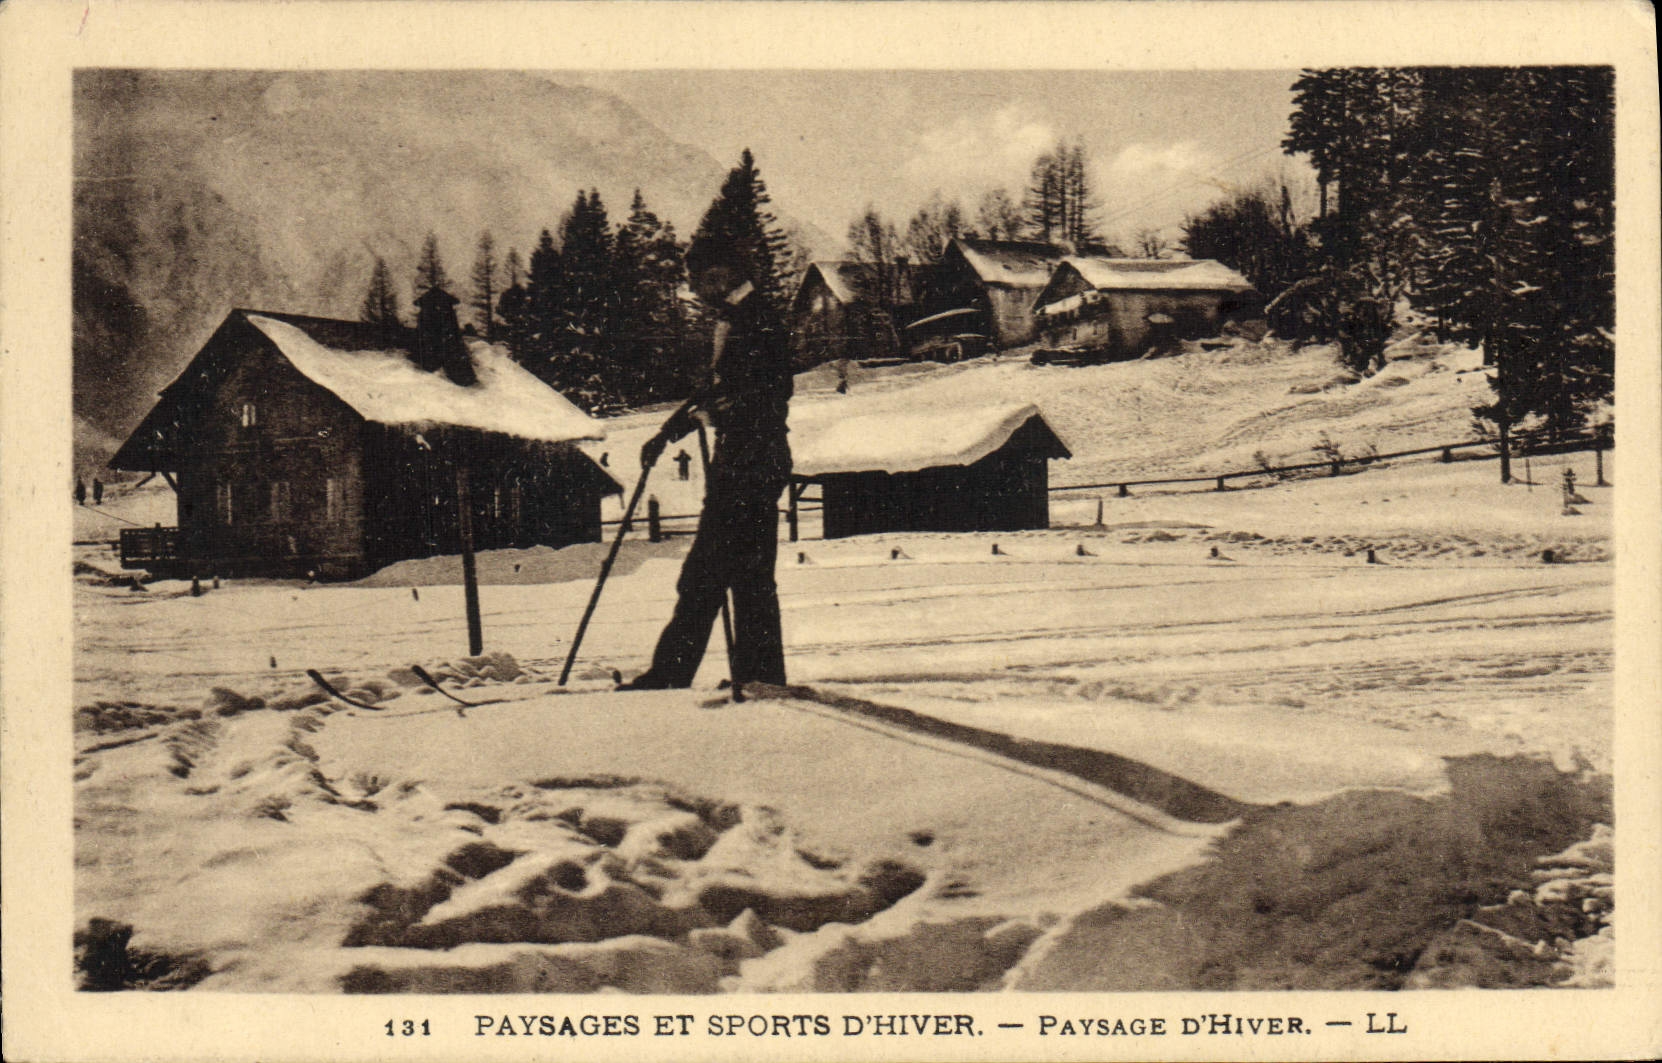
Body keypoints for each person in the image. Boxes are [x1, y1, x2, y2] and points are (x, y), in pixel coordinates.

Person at [617, 237, 792, 690]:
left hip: (753, 462)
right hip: (741, 461)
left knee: (724, 576)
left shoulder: (760, 319)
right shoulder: (736, 319)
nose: (704, 286)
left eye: (712, 276)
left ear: (735, 272)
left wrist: (711, 415)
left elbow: (768, 393)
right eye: (699, 279)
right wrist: (668, 431)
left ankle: (706, 676)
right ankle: (745, 676)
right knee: (724, 575)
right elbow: (717, 389)